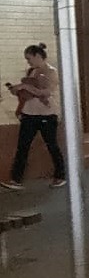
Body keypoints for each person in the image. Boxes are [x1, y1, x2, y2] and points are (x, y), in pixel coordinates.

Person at [1, 43, 66, 190]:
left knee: (52, 145)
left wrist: (25, 87)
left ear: (38, 56)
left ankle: (61, 175)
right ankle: (16, 179)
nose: (28, 62)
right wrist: (17, 90)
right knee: (22, 147)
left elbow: (45, 92)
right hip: (29, 113)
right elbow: (29, 92)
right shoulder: (31, 71)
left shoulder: (51, 72)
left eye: (29, 58)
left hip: (47, 115)